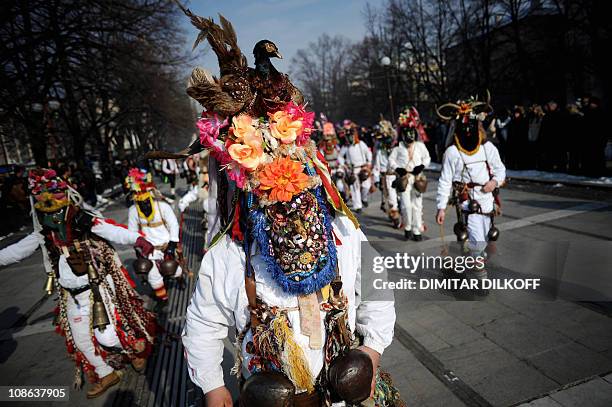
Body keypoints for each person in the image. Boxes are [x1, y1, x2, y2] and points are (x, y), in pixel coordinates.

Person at [7, 168, 158, 398]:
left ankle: (137, 349)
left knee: (106, 336)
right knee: (81, 340)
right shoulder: (44, 232)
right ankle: (106, 373)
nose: (48, 199)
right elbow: (17, 251)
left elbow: (109, 230)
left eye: (54, 192)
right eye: (40, 193)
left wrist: (137, 239)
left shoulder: (81, 218)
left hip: (97, 289)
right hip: (70, 295)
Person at [435, 97, 506, 279]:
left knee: (485, 236)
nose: (467, 128)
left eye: (471, 124)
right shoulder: (452, 152)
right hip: (467, 201)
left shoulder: (487, 147)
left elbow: (500, 170)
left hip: (487, 200)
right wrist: (441, 207)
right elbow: (445, 180)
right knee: (476, 240)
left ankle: (472, 262)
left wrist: (494, 182)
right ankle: (479, 275)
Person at [126, 168, 183, 304]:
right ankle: (163, 299)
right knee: (153, 276)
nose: (144, 206)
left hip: (166, 246)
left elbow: (174, 224)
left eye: (146, 202)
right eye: (140, 203)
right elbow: (132, 232)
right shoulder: (133, 211)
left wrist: (173, 244)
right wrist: (138, 248)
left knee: (173, 270)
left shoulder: (163, 207)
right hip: (149, 250)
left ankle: (180, 278)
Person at [389, 107, 431, 241]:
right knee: (406, 205)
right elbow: (391, 160)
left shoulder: (420, 146)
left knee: (417, 205)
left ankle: (417, 229)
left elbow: (427, 158)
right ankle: (407, 227)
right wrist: (398, 168)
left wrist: (422, 166)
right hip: (404, 178)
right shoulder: (398, 146)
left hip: (417, 178)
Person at [372, 118, 399, 227]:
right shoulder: (380, 151)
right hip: (386, 177)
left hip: (397, 175)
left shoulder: (397, 149)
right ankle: (395, 217)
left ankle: (399, 212)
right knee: (390, 199)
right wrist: (377, 179)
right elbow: (377, 167)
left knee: (400, 198)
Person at [340, 122, 372, 213]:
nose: (350, 138)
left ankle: (364, 198)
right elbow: (340, 156)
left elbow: (368, 153)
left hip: (363, 168)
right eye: (348, 136)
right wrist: (344, 165)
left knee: (366, 186)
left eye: (351, 136)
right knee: (355, 187)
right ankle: (357, 206)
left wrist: (369, 163)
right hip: (353, 169)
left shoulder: (361, 144)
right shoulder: (346, 147)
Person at [318, 118, 347, 201]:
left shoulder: (336, 147)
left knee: (340, 185)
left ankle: (343, 198)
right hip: (328, 170)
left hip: (337, 168)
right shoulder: (322, 149)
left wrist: (341, 167)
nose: (329, 142)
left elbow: (340, 157)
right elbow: (322, 160)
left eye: (330, 140)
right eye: (327, 140)